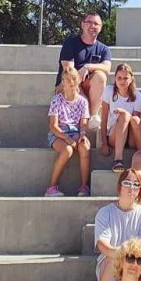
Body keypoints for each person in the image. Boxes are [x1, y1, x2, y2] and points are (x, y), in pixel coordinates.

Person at [93, 170, 141, 281]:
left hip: (136, 260)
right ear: (119, 187)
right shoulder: (105, 212)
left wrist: (134, 257)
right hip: (112, 258)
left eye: (136, 184)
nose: (131, 187)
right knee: (113, 260)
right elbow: (102, 245)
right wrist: (122, 254)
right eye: (127, 183)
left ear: (139, 190)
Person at [56, 11, 114, 135]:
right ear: (82, 25)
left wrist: (87, 67)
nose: (92, 26)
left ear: (100, 28)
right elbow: (68, 72)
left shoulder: (104, 49)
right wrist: (85, 101)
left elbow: (107, 68)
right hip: (67, 86)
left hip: (88, 87)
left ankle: (93, 116)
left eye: (96, 24)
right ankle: (86, 112)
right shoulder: (70, 43)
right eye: (89, 22)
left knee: (100, 76)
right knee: (71, 78)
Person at [44, 66, 92, 197]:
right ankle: (51, 187)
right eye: (67, 81)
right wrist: (66, 138)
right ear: (63, 82)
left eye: (73, 80)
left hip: (76, 131)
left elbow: (83, 123)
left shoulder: (83, 101)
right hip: (59, 133)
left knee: (84, 147)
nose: (71, 83)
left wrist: (82, 134)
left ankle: (84, 187)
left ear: (78, 81)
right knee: (67, 150)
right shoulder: (56, 100)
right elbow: (53, 126)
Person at [101, 63, 141, 169]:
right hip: (114, 135)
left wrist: (125, 113)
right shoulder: (109, 90)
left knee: (134, 119)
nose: (122, 81)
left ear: (131, 79)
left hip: (131, 137)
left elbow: (135, 123)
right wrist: (104, 143)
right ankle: (117, 160)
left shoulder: (137, 96)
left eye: (125, 78)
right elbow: (103, 119)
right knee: (124, 116)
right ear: (115, 78)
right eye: (119, 78)